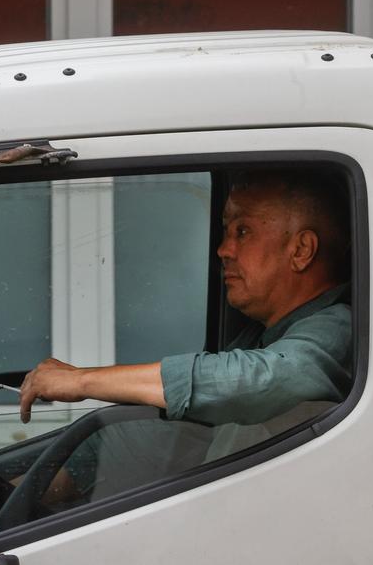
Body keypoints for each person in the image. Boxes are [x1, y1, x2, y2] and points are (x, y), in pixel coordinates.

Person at [18, 169, 352, 427]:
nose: (223, 250)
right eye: (226, 231)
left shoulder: (343, 327)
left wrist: (82, 381)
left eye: (243, 231)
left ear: (301, 250)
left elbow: (272, 378)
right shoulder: (260, 336)